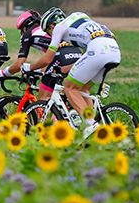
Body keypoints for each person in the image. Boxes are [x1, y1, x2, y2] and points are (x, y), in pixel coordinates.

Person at [26, 7, 121, 137]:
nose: (50, 35)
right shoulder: (78, 17)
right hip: (114, 50)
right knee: (83, 89)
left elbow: (48, 58)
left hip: (99, 50)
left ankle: (90, 124)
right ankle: (93, 123)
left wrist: (30, 67)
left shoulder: (59, 28)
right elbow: (84, 59)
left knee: (69, 88)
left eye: (48, 31)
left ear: (52, 25)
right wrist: (64, 69)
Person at [0, 9, 75, 100]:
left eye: (22, 30)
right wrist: (39, 70)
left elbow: (19, 64)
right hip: (75, 54)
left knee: (44, 97)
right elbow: (49, 61)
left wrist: (3, 73)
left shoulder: (28, 34)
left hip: (61, 56)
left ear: (25, 27)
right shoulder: (44, 30)